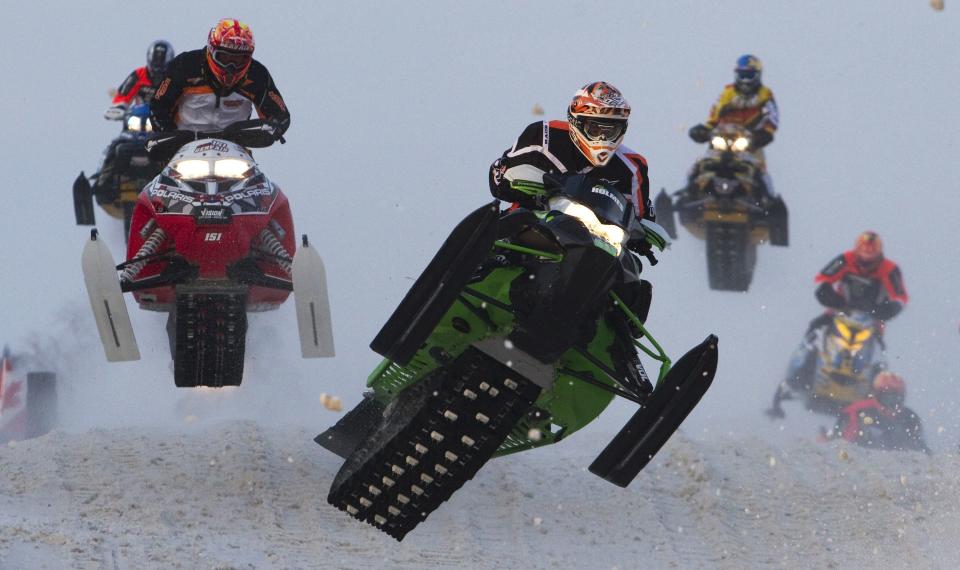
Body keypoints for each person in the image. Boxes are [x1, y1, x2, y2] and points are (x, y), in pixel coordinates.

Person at [772, 231, 908, 416]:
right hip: (839, 314)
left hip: (871, 321)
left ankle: (881, 394)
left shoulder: (889, 269)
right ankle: (794, 381)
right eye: (864, 251)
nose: (867, 258)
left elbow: (900, 296)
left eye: (871, 251)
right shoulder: (845, 260)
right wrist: (828, 294)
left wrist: (889, 309)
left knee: (879, 357)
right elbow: (823, 279)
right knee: (812, 336)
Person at [489, 81, 653, 223]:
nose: (602, 137)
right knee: (500, 233)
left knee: (629, 260)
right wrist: (519, 184)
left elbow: (642, 217)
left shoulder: (632, 167)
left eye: (610, 131)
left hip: (597, 241)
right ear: (577, 123)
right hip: (532, 222)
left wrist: (645, 234)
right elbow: (499, 176)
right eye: (595, 128)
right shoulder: (544, 136)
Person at [150, 19, 289, 137]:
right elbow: (158, 103)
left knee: (255, 171)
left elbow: (280, 113)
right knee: (157, 167)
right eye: (225, 58)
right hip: (181, 149)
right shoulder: (185, 66)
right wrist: (166, 134)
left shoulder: (258, 75)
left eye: (239, 60)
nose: (231, 67)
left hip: (235, 149)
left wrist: (275, 127)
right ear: (211, 51)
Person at [103, 40, 175, 120]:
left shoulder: (175, 78)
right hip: (138, 120)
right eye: (156, 60)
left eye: (161, 61)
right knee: (125, 133)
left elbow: (185, 99)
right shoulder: (138, 75)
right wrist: (119, 107)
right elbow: (123, 96)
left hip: (167, 123)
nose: (158, 67)